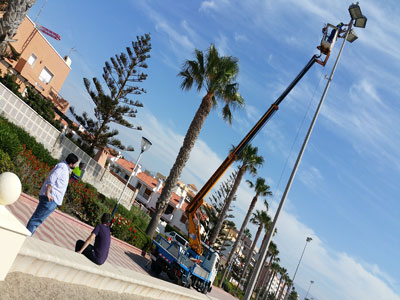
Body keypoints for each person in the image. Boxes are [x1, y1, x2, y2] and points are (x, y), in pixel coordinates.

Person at [26, 153, 79, 235]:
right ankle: (25, 236)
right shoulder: (62, 167)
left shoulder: (65, 168)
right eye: (75, 164)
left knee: (38, 220)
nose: (76, 166)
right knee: (37, 219)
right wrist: (47, 193)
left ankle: (27, 235)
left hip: (52, 199)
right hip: (50, 198)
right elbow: (52, 178)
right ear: (71, 163)